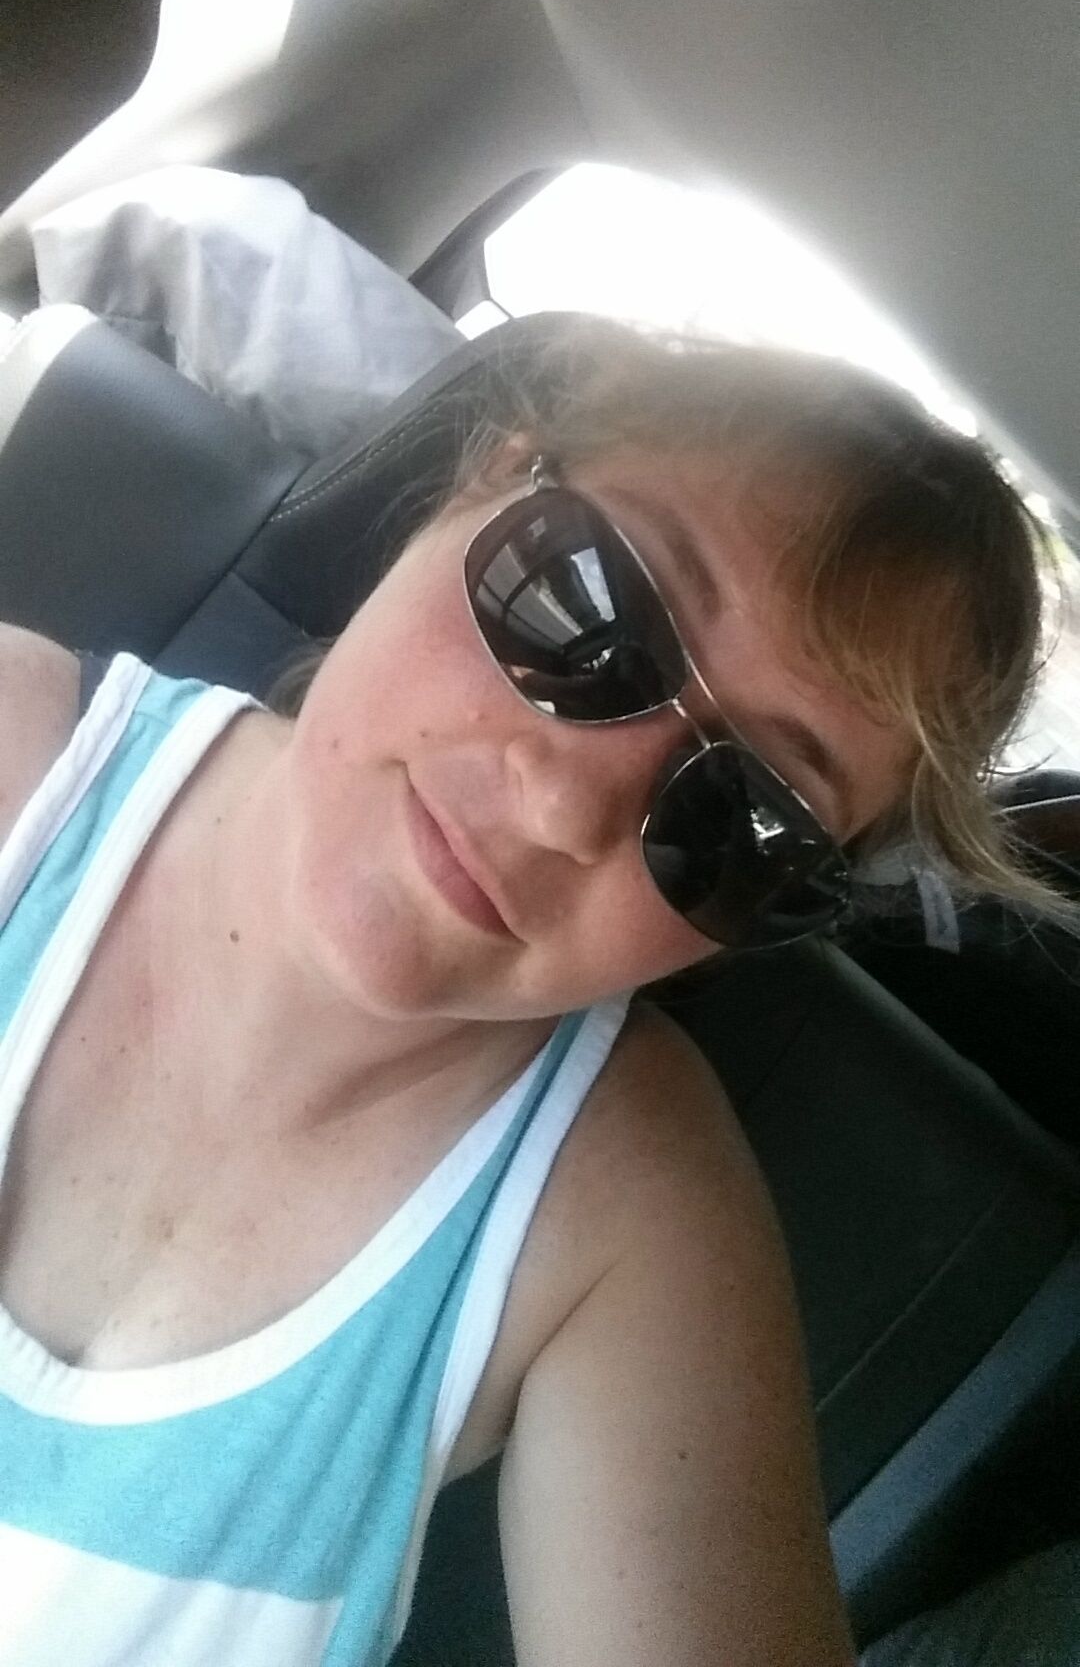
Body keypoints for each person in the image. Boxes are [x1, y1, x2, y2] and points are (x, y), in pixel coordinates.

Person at [0, 323, 1060, 1666]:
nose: (565, 808)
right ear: (485, 482)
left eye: (747, 818)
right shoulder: (14, 751)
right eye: (585, 607)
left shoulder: (630, 1233)